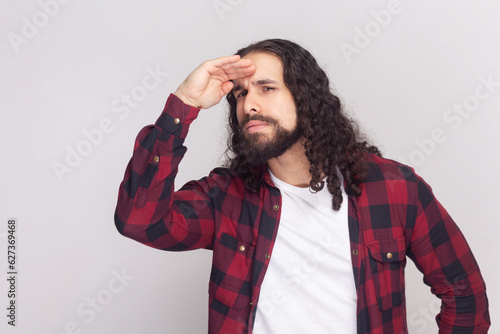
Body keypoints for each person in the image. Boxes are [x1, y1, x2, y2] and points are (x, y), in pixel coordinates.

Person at [114, 39, 490, 333]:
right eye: (241, 94)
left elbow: (465, 294)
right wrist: (184, 104)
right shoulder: (225, 196)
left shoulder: (394, 189)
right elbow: (139, 220)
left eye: (266, 88)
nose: (249, 106)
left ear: (306, 99)